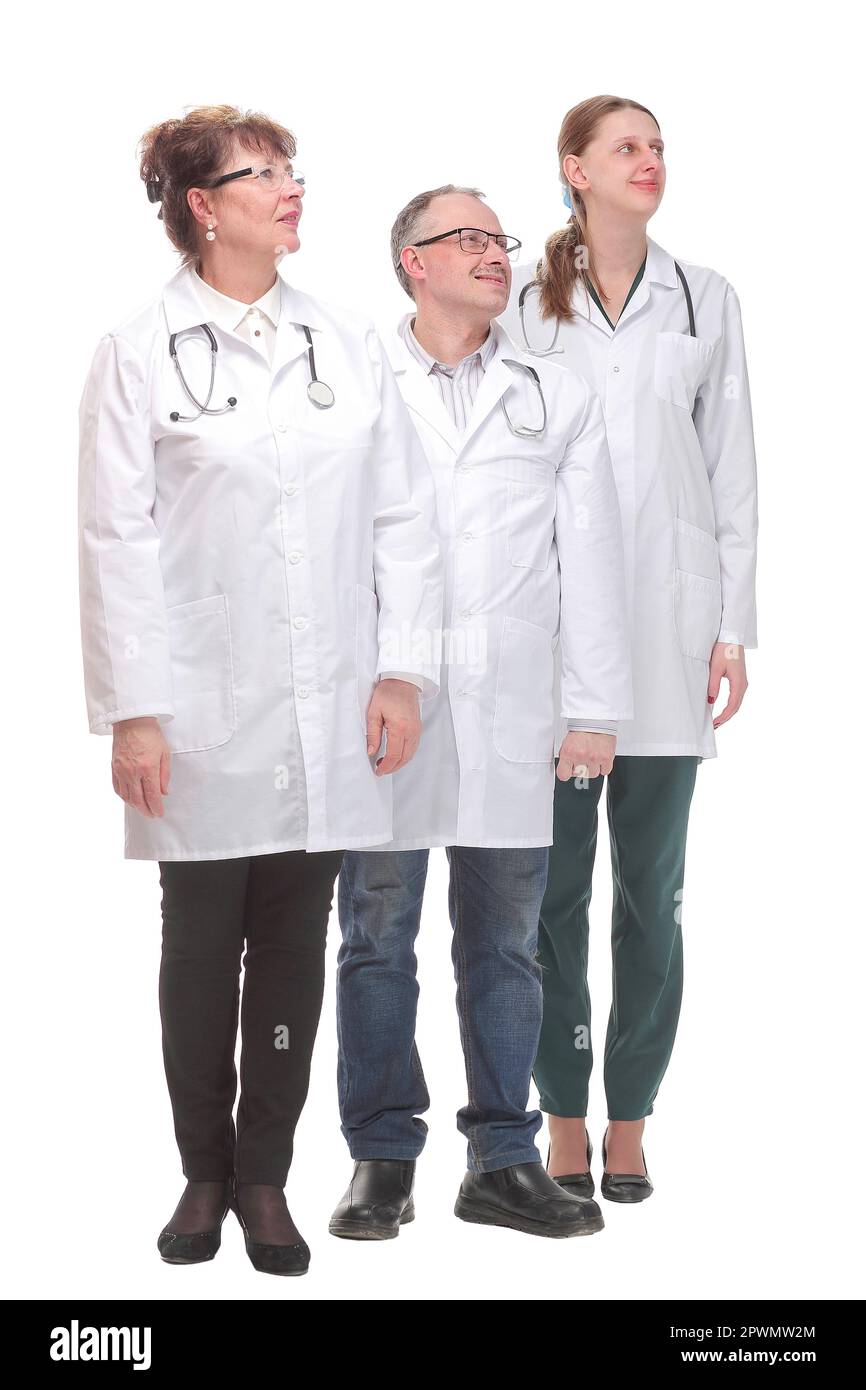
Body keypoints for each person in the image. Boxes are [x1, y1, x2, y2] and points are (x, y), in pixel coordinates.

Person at [77, 105, 442, 1275]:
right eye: (262, 173)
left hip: (326, 701)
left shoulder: (341, 340)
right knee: (198, 943)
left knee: (293, 943)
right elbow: (112, 539)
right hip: (194, 705)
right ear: (203, 204)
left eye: (291, 168)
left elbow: (401, 516)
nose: (289, 188)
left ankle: (265, 1179)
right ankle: (200, 1170)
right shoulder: (139, 351)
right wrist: (133, 708)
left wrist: (400, 670)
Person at [329, 186, 632, 1241]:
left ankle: (501, 1158)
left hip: (515, 703)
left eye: (496, 238)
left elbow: (589, 561)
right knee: (375, 934)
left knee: (507, 944)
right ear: (410, 261)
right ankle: (379, 1155)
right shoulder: (350, 384)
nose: (492, 252)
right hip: (388, 701)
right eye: (464, 238)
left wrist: (593, 709)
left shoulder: (553, 391)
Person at [498, 95, 758, 1202]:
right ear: (574, 170)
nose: (649, 161)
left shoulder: (705, 298)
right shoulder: (519, 306)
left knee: (653, 893)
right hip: (555, 649)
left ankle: (631, 1114)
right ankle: (561, 1109)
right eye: (626, 147)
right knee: (551, 893)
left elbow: (731, 463)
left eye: (656, 147)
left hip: (668, 631)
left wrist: (732, 622)